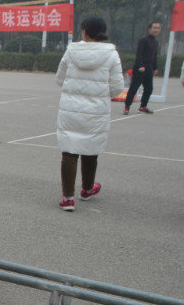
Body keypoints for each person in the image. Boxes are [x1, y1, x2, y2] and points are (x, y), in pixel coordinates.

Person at [54, 16, 123, 211]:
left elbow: (59, 78)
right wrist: (101, 96)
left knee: (69, 150)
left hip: (70, 109)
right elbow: (117, 87)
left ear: (84, 32)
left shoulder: (71, 51)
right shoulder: (111, 55)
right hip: (97, 110)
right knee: (91, 148)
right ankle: (86, 189)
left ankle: (68, 198)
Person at [124, 21, 160, 115]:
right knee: (134, 88)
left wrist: (155, 67)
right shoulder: (143, 40)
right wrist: (140, 65)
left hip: (149, 68)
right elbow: (138, 54)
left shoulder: (156, 42)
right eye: (154, 28)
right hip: (140, 68)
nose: (156, 30)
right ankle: (127, 106)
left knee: (149, 88)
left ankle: (143, 106)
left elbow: (154, 56)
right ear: (149, 29)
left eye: (158, 28)